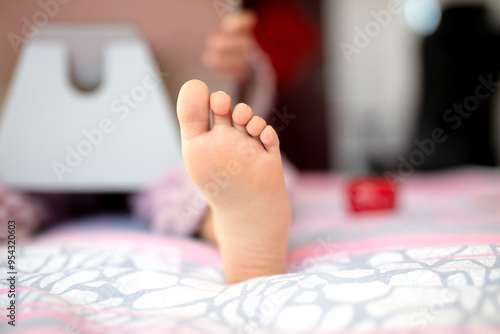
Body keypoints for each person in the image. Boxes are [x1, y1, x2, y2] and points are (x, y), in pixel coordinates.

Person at [0, 2, 285, 283]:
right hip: (32, 157)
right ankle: (221, 217)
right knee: (191, 186)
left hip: (160, 153)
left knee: (196, 177)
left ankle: (231, 224)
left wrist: (238, 64)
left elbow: (235, 79)